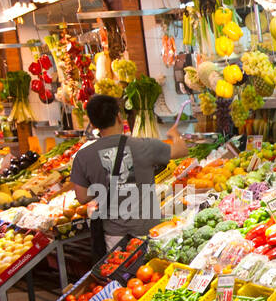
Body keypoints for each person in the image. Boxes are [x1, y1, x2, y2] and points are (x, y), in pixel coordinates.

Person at [70, 93, 189, 255]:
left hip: (115, 236)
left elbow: (82, 197)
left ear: (92, 123)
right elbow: (182, 150)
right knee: (152, 274)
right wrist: (175, 134)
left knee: (122, 275)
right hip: (150, 231)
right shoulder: (143, 145)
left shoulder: (83, 156)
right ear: (119, 117)